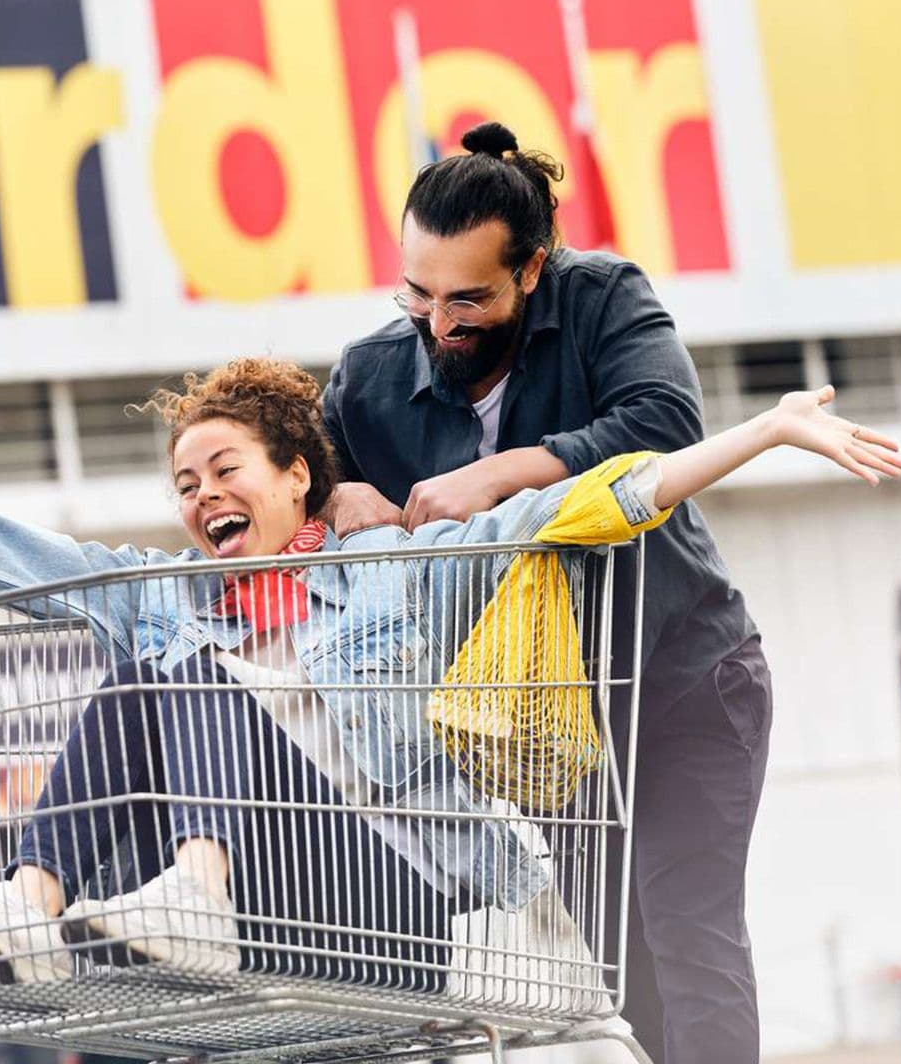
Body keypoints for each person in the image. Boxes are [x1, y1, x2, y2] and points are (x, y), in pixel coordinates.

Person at [0, 359, 901, 998]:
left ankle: (186, 891)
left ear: (296, 478)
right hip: (288, 911)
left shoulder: (393, 571)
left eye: (223, 468)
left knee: (175, 670)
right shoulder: (185, 602)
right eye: (183, 485)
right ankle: (32, 901)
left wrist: (767, 432)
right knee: (147, 650)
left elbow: (589, 504)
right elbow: (24, 565)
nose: (201, 497)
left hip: (410, 907)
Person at [319, 119, 817, 1063]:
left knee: (688, 927)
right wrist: (334, 486)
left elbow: (664, 423)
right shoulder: (369, 378)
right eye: (416, 294)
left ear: (533, 270)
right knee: (624, 968)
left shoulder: (604, 298)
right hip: (542, 723)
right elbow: (307, 471)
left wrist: (505, 472)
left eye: (469, 299)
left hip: (683, 679)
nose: (439, 325)